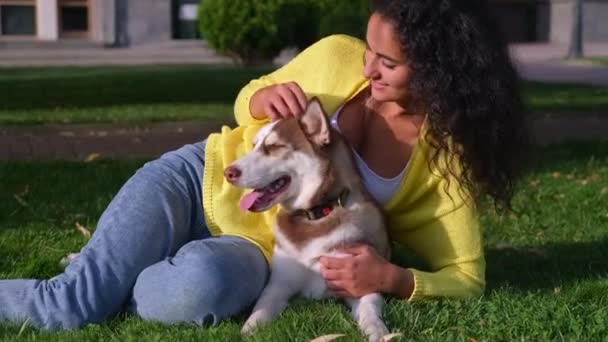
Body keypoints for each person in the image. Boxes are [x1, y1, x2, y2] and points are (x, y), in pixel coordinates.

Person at [0, 0, 529, 331]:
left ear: (439, 72)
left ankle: (115, 271)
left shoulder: (442, 162)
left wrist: (394, 278)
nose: (368, 68)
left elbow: (467, 277)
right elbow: (247, 97)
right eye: (369, 50)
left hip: (255, 250)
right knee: (70, 307)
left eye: (387, 62)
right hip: (195, 179)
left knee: (195, 290)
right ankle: (99, 277)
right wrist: (264, 98)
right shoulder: (337, 55)